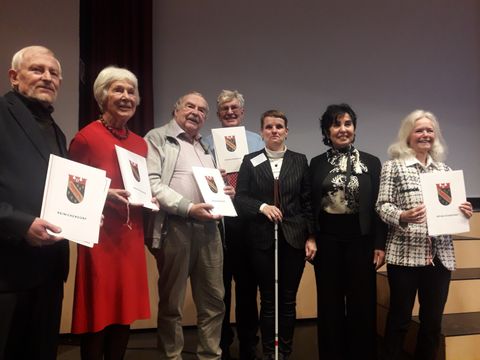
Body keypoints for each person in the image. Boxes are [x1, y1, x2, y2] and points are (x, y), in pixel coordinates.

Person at [376, 110, 473, 360]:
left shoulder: (444, 169)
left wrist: (464, 210)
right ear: (408, 135)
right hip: (405, 257)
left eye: (430, 130)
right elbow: (382, 206)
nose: (425, 135)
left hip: (440, 259)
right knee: (399, 320)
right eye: (419, 130)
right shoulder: (393, 166)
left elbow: (452, 208)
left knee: (432, 323)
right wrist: (402, 216)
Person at [144, 91, 235, 360]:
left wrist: (223, 190)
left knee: (214, 301)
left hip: (210, 231)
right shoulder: (158, 137)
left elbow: (208, 185)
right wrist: (189, 207)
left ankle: (210, 355)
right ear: (176, 110)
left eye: (202, 109)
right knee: (172, 303)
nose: (196, 112)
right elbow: (152, 183)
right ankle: (171, 356)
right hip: (176, 227)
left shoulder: (204, 146)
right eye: (190, 106)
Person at [69, 66, 151, 359]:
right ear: (102, 96)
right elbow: (70, 189)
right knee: (98, 311)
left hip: (130, 236)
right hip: (99, 236)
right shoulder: (86, 138)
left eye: (131, 91)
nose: (126, 96)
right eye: (118, 90)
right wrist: (104, 195)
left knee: (123, 309)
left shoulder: (140, 144)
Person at [0, 45, 68, 360]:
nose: (47, 78)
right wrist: (20, 224)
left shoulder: (57, 131)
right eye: (37, 70)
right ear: (14, 77)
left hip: (50, 266)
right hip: (8, 268)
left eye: (53, 73)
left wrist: (83, 215)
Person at [235, 110, 316, 360]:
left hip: (293, 240)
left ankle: (286, 352)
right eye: (269, 127)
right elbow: (240, 197)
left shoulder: (300, 160)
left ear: (286, 131)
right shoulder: (251, 160)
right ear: (261, 132)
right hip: (260, 240)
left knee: (288, 300)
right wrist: (262, 207)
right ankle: (271, 352)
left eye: (279, 126)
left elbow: (307, 203)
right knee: (269, 299)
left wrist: (311, 237)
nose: (274, 131)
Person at [309, 103, 386, 360]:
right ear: (327, 131)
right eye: (336, 124)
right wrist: (311, 236)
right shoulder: (316, 163)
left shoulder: (372, 162)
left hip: (361, 241)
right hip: (327, 241)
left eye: (347, 124)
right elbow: (310, 203)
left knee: (362, 305)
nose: (343, 129)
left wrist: (379, 244)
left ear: (354, 128)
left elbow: (379, 206)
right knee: (329, 305)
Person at [203, 90, 263, 360]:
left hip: (248, 224)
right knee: (220, 290)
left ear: (242, 112)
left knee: (248, 289)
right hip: (218, 225)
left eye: (234, 108)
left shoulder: (257, 141)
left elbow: (265, 179)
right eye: (224, 108)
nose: (229, 112)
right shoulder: (205, 143)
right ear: (218, 114)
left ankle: (249, 342)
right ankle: (223, 342)